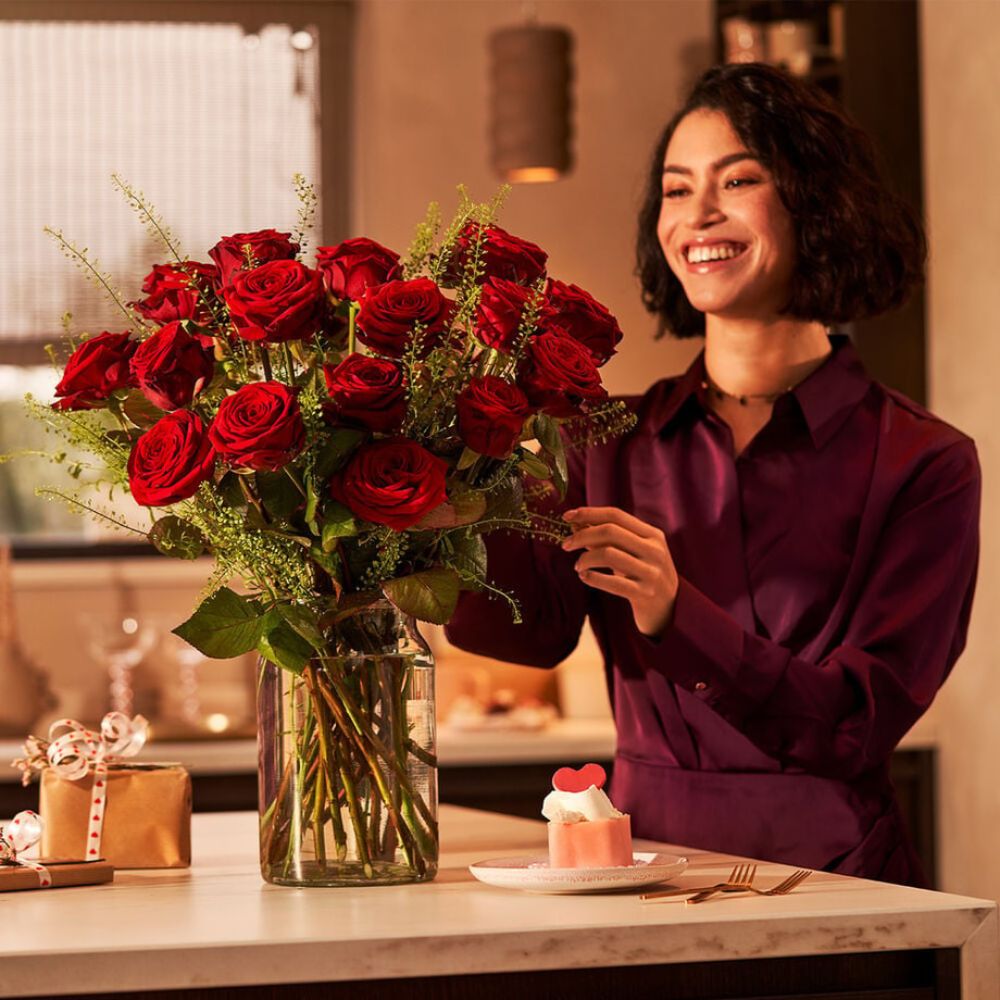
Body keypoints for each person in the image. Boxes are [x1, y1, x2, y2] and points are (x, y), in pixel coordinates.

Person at [445, 63, 980, 887]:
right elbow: (524, 632)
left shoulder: (927, 462)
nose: (699, 214)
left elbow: (856, 726)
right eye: (676, 188)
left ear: (818, 203)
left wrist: (673, 612)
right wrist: (460, 461)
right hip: (634, 870)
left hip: (837, 880)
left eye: (739, 180)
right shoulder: (598, 435)